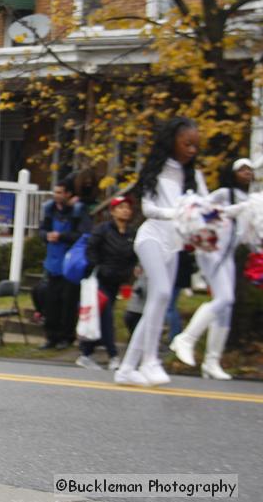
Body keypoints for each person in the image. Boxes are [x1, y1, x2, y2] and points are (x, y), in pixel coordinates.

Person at [115, 117, 207, 387]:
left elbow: (207, 206)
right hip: (151, 237)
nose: (192, 150)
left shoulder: (194, 177)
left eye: (195, 145)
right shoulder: (156, 171)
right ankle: (150, 360)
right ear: (173, 141)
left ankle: (127, 368)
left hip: (174, 244)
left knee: (159, 301)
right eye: (187, 143)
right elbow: (148, 210)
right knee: (163, 292)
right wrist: (180, 212)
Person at [170, 157, 253, 380]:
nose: (247, 173)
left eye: (250, 170)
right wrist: (237, 209)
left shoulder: (250, 199)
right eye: (242, 169)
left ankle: (211, 362)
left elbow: (247, 235)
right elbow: (203, 212)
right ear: (234, 173)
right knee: (224, 299)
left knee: (226, 307)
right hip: (211, 251)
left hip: (227, 256)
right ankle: (185, 338)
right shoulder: (225, 194)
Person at [76, 195, 138, 372]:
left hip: (117, 281)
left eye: (128, 207)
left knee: (101, 316)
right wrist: (99, 268)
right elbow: (91, 250)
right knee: (106, 317)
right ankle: (113, 355)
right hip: (100, 281)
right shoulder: (102, 229)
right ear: (112, 211)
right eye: (121, 207)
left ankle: (86, 354)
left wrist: (132, 270)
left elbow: (134, 254)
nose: (125, 210)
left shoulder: (131, 233)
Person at [38, 177, 90, 350]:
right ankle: (51, 336)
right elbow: (42, 231)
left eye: (60, 192)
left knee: (68, 302)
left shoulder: (77, 211)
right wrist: (47, 236)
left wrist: (61, 236)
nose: (56, 195)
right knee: (50, 301)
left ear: (68, 194)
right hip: (53, 261)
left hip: (71, 264)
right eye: (55, 192)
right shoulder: (50, 209)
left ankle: (66, 337)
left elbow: (83, 235)